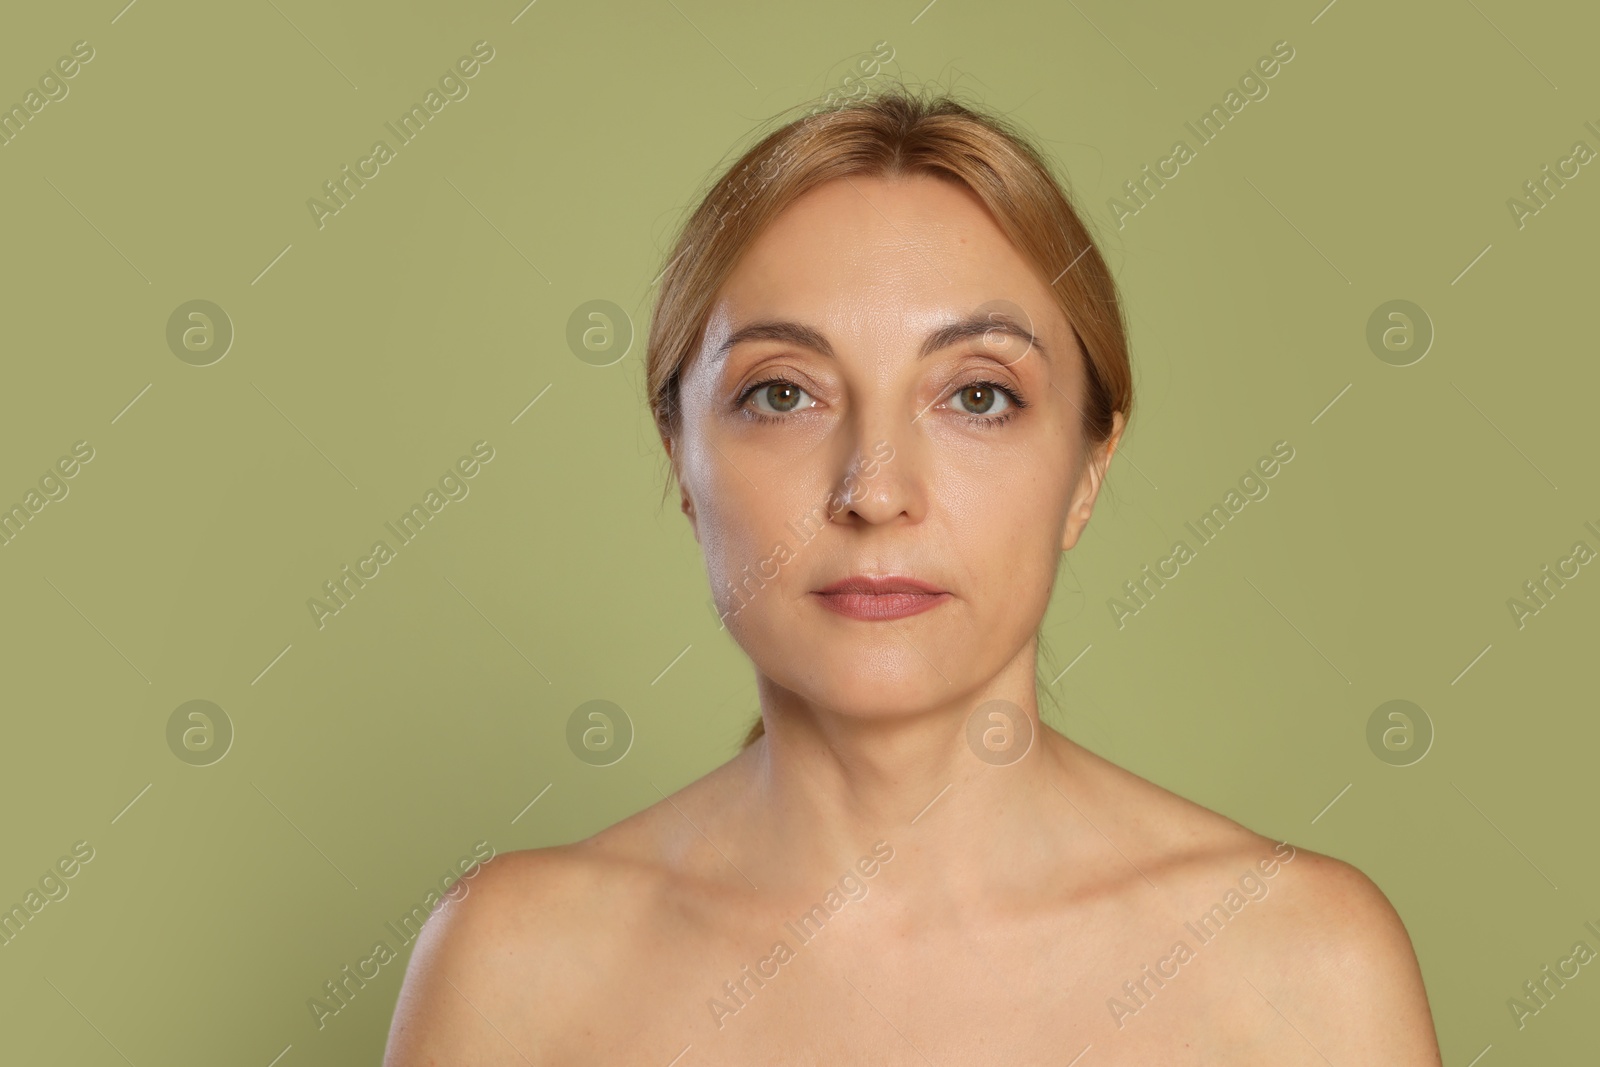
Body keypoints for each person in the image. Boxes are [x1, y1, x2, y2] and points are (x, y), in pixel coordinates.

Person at [383, 85, 1443, 1064]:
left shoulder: (1301, 970)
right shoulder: (509, 970)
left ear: (1087, 468)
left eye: (977, 395)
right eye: (782, 393)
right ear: (682, 463)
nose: (875, 490)